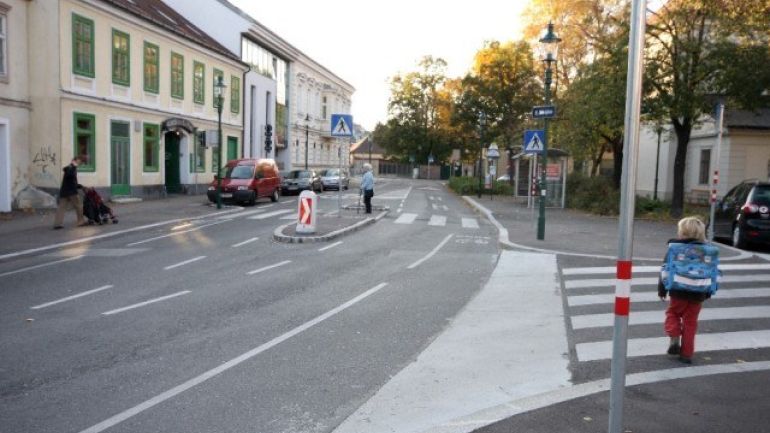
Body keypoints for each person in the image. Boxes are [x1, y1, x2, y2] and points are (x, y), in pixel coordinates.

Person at [658, 216, 713, 364]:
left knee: (673, 313)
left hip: (678, 291)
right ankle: (686, 354)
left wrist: (662, 290)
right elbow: (712, 273)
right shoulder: (708, 251)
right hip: (698, 294)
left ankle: (674, 336)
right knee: (691, 322)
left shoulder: (674, 249)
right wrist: (708, 292)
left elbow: (665, 271)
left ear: (681, 233)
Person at [53, 156, 86, 229]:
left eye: (80, 162)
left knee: (61, 207)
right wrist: (74, 166)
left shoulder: (70, 168)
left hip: (64, 190)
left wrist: (79, 186)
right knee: (78, 206)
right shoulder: (71, 168)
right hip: (71, 192)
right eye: (78, 161)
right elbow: (70, 175)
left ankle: (58, 223)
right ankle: (80, 221)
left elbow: (71, 180)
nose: (79, 163)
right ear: (74, 161)